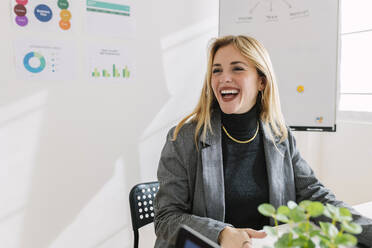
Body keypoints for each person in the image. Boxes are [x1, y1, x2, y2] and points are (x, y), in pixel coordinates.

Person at [153, 35, 372, 248]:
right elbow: (165, 219)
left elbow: (315, 196)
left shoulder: (280, 136)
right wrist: (221, 233)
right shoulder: (183, 138)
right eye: (216, 70)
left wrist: (367, 230)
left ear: (261, 81)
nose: (223, 78)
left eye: (237, 68)